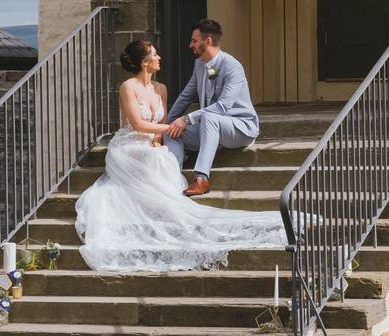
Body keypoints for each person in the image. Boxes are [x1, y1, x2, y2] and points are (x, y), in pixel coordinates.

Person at [74, 40, 284, 272]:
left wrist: (160, 136)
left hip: (151, 139)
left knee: (161, 155)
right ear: (145, 62)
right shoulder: (128, 87)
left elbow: (162, 123)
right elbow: (137, 124)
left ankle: (166, 201)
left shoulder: (161, 88)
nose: (159, 57)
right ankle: (157, 206)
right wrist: (175, 127)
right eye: (155, 54)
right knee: (154, 157)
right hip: (128, 144)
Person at [164, 19, 259, 196]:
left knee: (210, 117)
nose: (190, 44)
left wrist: (187, 119)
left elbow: (223, 107)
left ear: (207, 41)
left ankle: (201, 179)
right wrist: (167, 123)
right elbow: (186, 95)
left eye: (194, 40)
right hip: (210, 127)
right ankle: (173, 177)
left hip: (240, 128)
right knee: (170, 131)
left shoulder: (232, 66)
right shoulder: (199, 64)